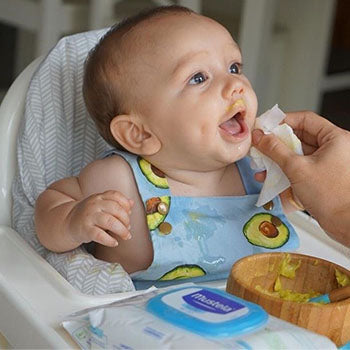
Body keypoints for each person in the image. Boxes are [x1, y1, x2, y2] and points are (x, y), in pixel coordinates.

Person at [34, 5, 300, 288]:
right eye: (198, 78)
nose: (235, 84)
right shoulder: (119, 181)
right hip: (141, 322)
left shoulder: (255, 169)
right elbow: (50, 204)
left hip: (248, 313)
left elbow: (266, 214)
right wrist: (72, 220)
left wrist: (294, 197)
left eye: (234, 67)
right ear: (139, 133)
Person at [252, 111, 350, 247]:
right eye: (210, 88)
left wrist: (295, 201)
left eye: (247, 87)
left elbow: (262, 214)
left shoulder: (253, 175)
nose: (236, 88)